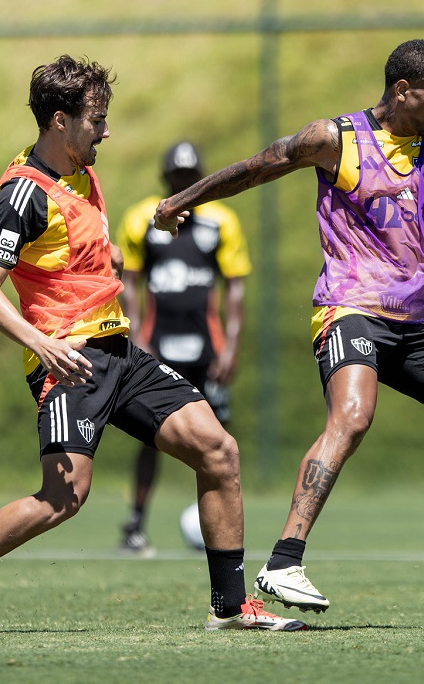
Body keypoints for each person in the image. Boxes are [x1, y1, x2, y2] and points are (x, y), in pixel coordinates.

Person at [0, 55, 303, 634]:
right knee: (63, 498)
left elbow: (76, 257)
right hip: (69, 360)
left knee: (218, 450)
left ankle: (232, 607)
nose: (106, 130)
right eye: (97, 119)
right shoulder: (22, 194)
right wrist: (41, 345)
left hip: (120, 351)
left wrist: (126, 253)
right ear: (60, 121)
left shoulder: (80, 173)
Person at [153, 38, 424, 624]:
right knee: (354, 415)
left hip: (412, 324)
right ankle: (285, 561)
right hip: (349, 308)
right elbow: (257, 166)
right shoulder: (335, 139)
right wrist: (183, 199)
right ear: (402, 90)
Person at [116, 141, 251, 554]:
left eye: (191, 179)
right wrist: (137, 338)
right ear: (165, 178)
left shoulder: (221, 222)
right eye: (177, 178)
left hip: (207, 350)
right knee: (149, 439)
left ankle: (223, 530)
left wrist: (230, 346)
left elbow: (235, 288)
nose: (184, 184)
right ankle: (135, 524)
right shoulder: (142, 219)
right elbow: (129, 282)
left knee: (218, 440)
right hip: (156, 348)